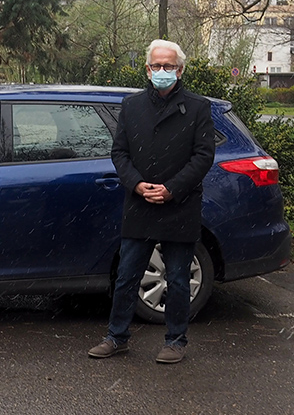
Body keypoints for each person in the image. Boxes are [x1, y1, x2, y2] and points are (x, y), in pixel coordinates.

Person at [88, 39, 216, 364]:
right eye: (156, 65)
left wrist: (172, 188)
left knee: (176, 279)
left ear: (180, 69)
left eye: (168, 66)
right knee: (127, 276)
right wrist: (136, 184)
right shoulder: (131, 107)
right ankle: (116, 337)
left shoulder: (198, 107)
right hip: (140, 203)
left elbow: (203, 156)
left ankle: (175, 340)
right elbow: (119, 152)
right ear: (147, 68)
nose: (162, 71)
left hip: (179, 205)